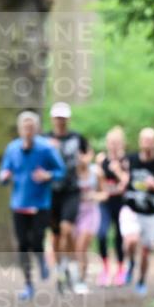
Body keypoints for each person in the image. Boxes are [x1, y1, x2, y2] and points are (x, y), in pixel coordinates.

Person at [0, 111, 65, 300]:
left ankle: (42, 260)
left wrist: (48, 175)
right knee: (22, 245)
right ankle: (28, 285)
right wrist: (4, 176)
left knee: (37, 239)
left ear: (36, 129)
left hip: (40, 203)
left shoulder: (46, 149)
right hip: (18, 203)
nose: (28, 130)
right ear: (20, 129)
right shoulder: (12, 148)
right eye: (24, 127)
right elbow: (4, 170)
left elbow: (61, 171)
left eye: (31, 127)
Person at [119, 127, 154, 296]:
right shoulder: (130, 159)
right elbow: (115, 169)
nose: (148, 144)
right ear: (140, 142)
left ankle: (142, 280)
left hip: (151, 214)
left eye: (151, 140)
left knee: (146, 251)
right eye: (145, 140)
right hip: (131, 209)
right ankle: (130, 263)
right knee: (130, 240)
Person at [44, 102, 90, 294]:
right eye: (57, 118)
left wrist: (84, 161)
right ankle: (61, 271)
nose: (60, 121)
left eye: (63, 118)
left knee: (67, 229)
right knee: (55, 236)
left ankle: (71, 267)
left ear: (68, 119)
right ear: (52, 119)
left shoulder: (77, 138)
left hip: (71, 190)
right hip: (51, 191)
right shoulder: (44, 139)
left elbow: (88, 156)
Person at [96, 126, 130, 287]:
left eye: (116, 143)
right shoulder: (102, 160)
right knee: (101, 234)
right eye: (111, 142)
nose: (113, 146)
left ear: (122, 144)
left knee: (119, 236)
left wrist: (117, 171)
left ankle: (121, 269)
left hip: (122, 204)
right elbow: (99, 184)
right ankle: (105, 268)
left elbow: (127, 183)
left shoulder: (126, 161)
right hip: (105, 203)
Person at [72, 150, 105, 295]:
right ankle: (73, 277)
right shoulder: (71, 172)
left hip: (91, 213)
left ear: (90, 154)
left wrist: (94, 195)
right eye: (79, 154)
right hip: (74, 213)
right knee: (73, 250)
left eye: (84, 154)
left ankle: (81, 280)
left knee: (81, 247)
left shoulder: (96, 172)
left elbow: (105, 193)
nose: (81, 158)